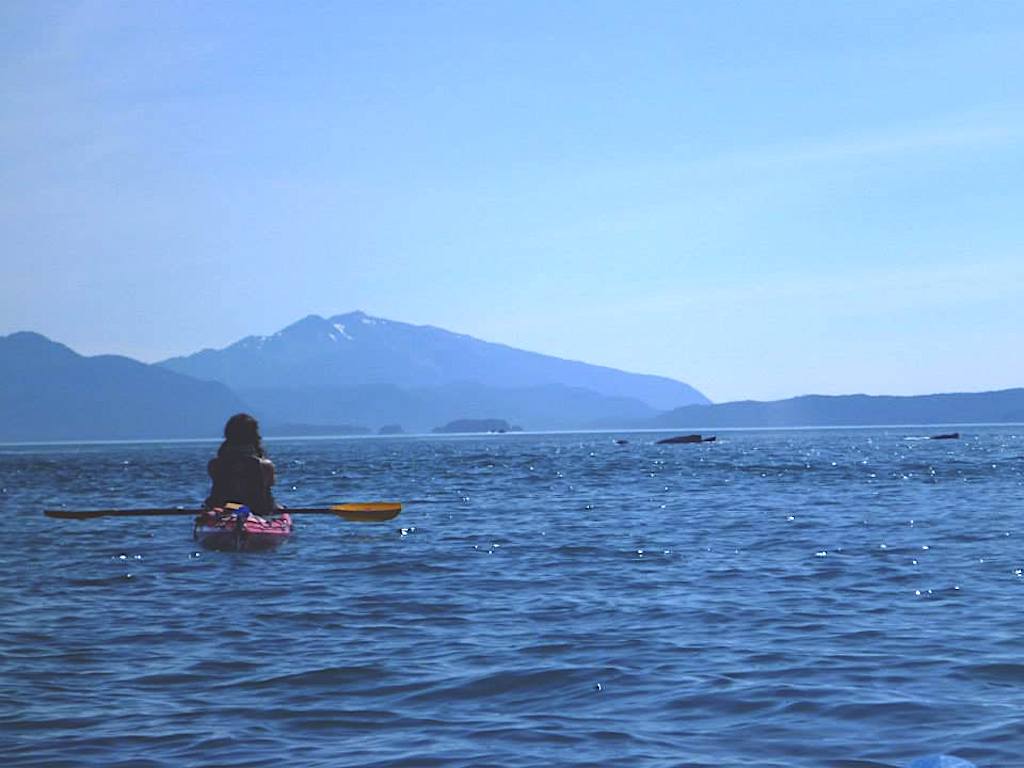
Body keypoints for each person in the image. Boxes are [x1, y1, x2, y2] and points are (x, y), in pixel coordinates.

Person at [205, 413, 278, 516]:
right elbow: (268, 489)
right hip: (254, 509)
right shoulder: (265, 466)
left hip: (226, 506)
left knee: (228, 506)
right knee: (242, 507)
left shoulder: (214, 464)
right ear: (254, 436)